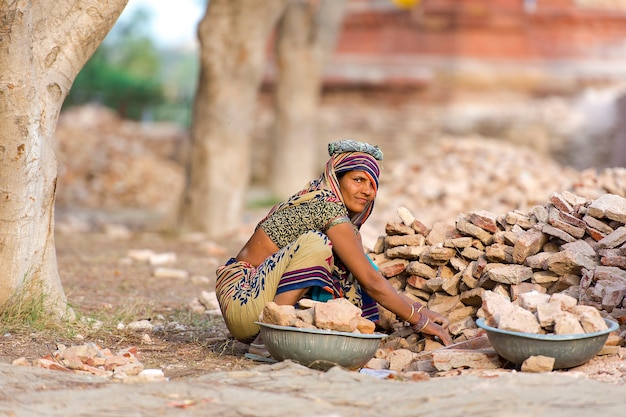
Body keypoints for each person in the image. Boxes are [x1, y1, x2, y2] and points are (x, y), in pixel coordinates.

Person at [215, 140, 452, 356]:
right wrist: (419, 321)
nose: (367, 191)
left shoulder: (339, 220)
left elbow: (369, 275)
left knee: (349, 261)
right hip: (242, 299)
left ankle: (275, 329)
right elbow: (371, 282)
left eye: (372, 183)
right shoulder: (325, 207)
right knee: (317, 244)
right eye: (358, 180)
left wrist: (418, 308)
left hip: (253, 303)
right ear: (336, 180)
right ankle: (265, 339)